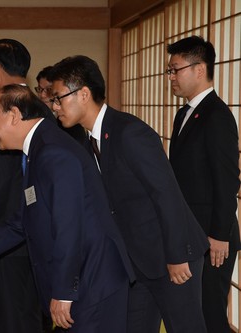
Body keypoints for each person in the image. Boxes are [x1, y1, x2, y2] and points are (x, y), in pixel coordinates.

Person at [49, 55, 210, 333]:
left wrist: (176, 256)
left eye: (59, 98)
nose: (54, 107)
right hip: (136, 262)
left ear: (83, 94)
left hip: (171, 254)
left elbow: (166, 194)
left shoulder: (129, 132)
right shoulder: (86, 140)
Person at [0, 84, 134, 333]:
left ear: (13, 114)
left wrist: (64, 291)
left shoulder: (52, 152)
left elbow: (68, 226)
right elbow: (25, 218)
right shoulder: (38, 148)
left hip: (92, 282)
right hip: (84, 280)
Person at [167, 36, 240, 333]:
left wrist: (219, 234)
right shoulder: (184, 112)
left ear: (199, 69)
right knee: (192, 313)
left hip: (213, 237)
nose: (171, 76)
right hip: (192, 231)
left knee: (210, 316)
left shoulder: (217, 115)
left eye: (176, 69)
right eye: (169, 70)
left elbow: (227, 179)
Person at [0, 38, 43, 333]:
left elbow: (1, 183)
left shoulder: (6, 112)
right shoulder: (40, 106)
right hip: (30, 237)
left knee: (12, 318)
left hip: (9, 239)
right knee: (26, 315)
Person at [35, 66, 86, 144]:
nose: (42, 95)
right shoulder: (34, 118)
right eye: (40, 89)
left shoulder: (70, 122)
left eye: (48, 90)